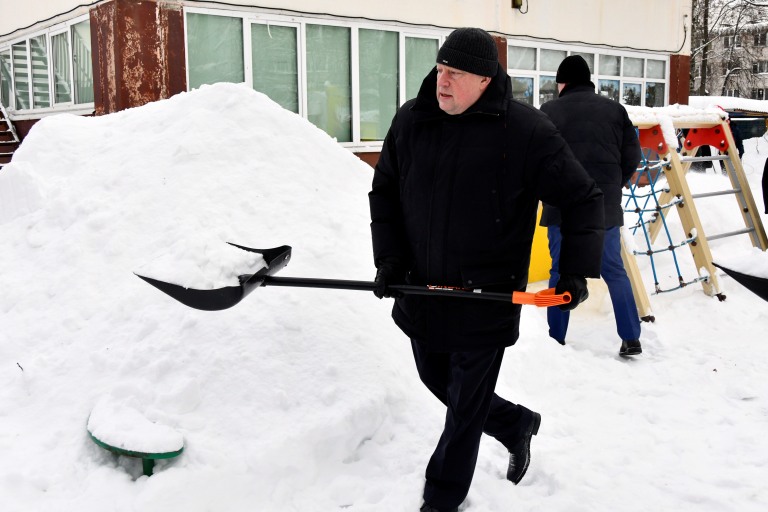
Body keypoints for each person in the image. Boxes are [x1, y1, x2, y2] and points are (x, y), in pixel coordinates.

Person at [368, 28, 605, 512]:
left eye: (455, 73)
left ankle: (440, 499)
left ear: (484, 79)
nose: (443, 80)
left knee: (464, 410)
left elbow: (583, 197)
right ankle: (516, 423)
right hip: (422, 290)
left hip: (486, 298)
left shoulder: (524, 132)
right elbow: (385, 193)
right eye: (440, 69)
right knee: (437, 380)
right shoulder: (412, 122)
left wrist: (575, 271)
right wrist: (389, 259)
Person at [539, 55, 643, 357]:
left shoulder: (549, 111)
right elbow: (631, 155)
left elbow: (539, 157)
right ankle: (631, 338)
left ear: (564, 82)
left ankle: (555, 339)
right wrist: (614, 185)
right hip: (603, 207)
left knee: (560, 271)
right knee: (614, 269)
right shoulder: (615, 110)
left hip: (563, 208)